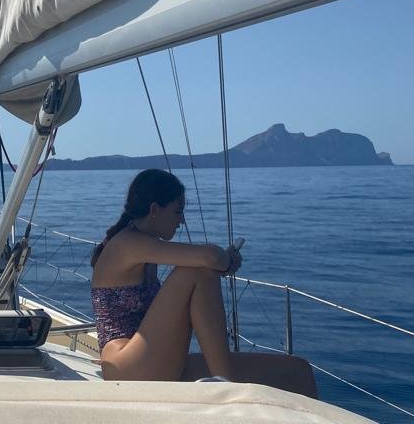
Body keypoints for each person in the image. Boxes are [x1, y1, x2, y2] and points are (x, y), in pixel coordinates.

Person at [90, 168, 317, 395]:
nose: (182, 221)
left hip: (149, 361)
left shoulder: (146, 247)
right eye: (178, 211)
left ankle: (225, 378)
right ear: (154, 210)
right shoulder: (127, 244)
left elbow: (209, 259)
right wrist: (226, 261)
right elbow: (210, 257)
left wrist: (220, 261)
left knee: (298, 371)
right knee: (198, 271)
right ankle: (228, 386)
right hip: (126, 368)